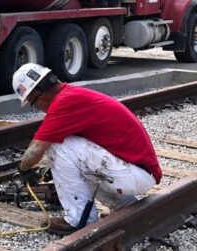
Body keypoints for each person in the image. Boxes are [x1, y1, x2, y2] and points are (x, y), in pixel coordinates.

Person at [11, 63, 162, 234]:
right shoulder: (72, 95)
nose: (37, 108)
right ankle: (123, 205)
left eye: (32, 103)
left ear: (40, 97)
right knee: (77, 162)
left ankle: (78, 220)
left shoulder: (64, 103)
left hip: (133, 174)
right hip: (138, 172)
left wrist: (23, 170)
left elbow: (36, 149)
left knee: (57, 146)